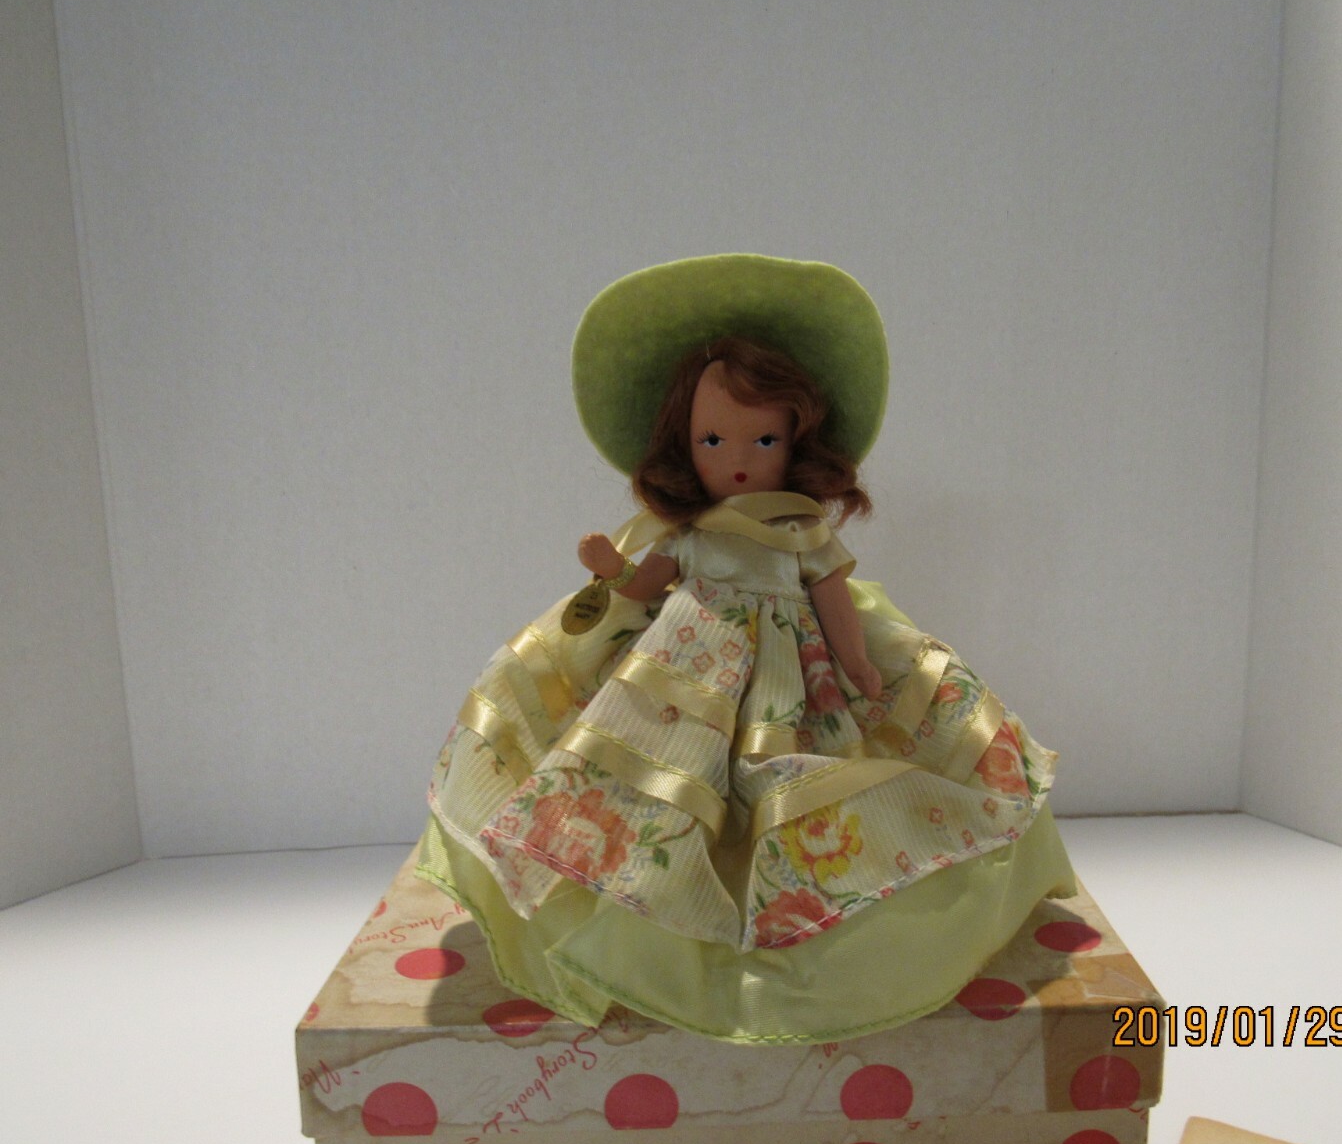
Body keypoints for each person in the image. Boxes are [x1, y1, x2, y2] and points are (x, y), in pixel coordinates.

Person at [419, 254, 1074, 1043]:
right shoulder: (689, 533)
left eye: (763, 438)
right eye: (712, 438)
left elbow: (833, 601)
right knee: (657, 784)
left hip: (791, 682)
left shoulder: (800, 531)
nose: (737, 458)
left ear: (797, 441)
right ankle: (645, 919)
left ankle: (805, 936)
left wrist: (858, 664)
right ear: (681, 443)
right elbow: (643, 588)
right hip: (682, 671)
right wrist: (610, 570)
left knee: (791, 783)